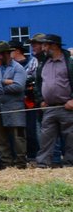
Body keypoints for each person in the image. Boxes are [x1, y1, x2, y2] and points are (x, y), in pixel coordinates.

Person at [33, 33, 73, 168]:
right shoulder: (43, 63)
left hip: (67, 107)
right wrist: (40, 100)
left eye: (45, 45)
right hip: (49, 107)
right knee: (45, 138)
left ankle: (70, 165)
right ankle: (43, 165)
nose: (43, 48)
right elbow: (37, 85)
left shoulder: (70, 62)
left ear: (54, 46)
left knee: (70, 138)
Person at [0, 42, 27, 170]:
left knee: (18, 138)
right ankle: (6, 165)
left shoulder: (18, 68)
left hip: (14, 108)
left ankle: (20, 164)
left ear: (7, 53)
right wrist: (4, 82)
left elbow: (18, 86)